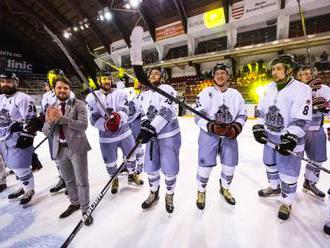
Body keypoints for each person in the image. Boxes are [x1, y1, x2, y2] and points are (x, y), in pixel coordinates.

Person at [252, 54, 312, 220]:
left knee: (288, 172)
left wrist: (291, 137)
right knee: (269, 163)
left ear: (289, 70)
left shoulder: (302, 89)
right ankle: (274, 187)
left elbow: (302, 119)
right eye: (273, 69)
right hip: (270, 138)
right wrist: (258, 126)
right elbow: (262, 111)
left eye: (278, 68)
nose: (275, 72)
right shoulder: (269, 87)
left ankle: (287, 202)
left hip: (289, 139)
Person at [130, 26, 181, 213]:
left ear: (162, 77)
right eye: (150, 74)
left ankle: (169, 194)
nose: (152, 76)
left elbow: (167, 112)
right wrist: (143, 124)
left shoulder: (167, 90)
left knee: (169, 168)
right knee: (151, 167)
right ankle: (153, 192)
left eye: (156, 74)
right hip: (151, 137)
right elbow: (139, 113)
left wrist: (151, 127)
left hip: (168, 136)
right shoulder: (143, 94)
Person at [194, 63, 247, 209]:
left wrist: (236, 128)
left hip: (230, 136)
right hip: (209, 136)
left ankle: (225, 188)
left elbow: (243, 114)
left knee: (229, 167)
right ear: (213, 76)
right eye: (217, 73)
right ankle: (201, 191)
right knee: (204, 168)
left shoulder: (236, 94)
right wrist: (210, 126)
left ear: (228, 76)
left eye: (223, 73)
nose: (220, 75)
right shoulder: (205, 92)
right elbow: (197, 116)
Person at [42, 77, 93, 225]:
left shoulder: (79, 104)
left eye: (65, 88)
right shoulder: (51, 107)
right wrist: (51, 121)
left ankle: (85, 209)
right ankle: (75, 202)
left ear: (69, 90)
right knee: (69, 180)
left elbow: (83, 125)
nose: (63, 90)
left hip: (77, 148)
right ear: (54, 90)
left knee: (81, 181)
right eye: (59, 88)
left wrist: (61, 119)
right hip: (60, 149)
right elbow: (46, 132)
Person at [85, 71, 143, 195]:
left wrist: (118, 117)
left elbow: (125, 110)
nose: (107, 81)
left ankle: (132, 175)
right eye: (104, 79)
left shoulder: (121, 93)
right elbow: (93, 118)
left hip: (124, 133)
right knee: (110, 162)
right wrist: (105, 124)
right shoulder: (91, 97)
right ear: (99, 81)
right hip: (106, 138)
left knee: (131, 156)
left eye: (109, 79)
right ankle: (114, 179)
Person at [0, 72, 37, 205]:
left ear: (16, 82)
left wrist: (27, 137)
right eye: (3, 81)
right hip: (3, 137)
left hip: (18, 136)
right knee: (13, 166)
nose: (5, 84)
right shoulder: (1, 98)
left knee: (21, 167)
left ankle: (29, 190)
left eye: (9, 81)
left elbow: (32, 120)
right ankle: (23, 187)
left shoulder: (23, 98)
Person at [296, 65, 330, 199]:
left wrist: (326, 109)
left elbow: (329, 109)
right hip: (298, 130)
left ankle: (309, 183)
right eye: (305, 73)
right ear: (299, 76)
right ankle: (286, 183)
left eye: (310, 73)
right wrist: (309, 93)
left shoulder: (324, 89)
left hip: (316, 130)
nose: (308, 76)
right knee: (290, 160)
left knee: (317, 159)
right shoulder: (294, 90)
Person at [42, 69, 75, 194]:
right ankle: (63, 178)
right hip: (54, 132)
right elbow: (45, 114)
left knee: (69, 156)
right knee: (57, 157)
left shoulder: (68, 93)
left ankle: (71, 180)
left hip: (67, 131)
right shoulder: (46, 96)